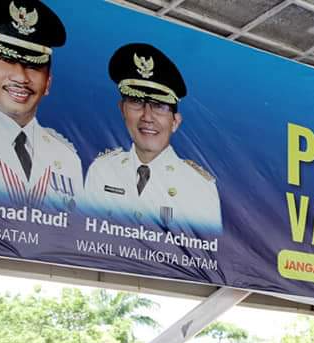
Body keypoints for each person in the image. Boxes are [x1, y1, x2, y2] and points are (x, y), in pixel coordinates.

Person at [0, 0, 82, 212]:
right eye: (6, 59)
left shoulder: (66, 158)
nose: (20, 77)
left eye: (33, 65)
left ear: (48, 82)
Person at [84, 43, 222, 232]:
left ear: (175, 122)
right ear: (122, 110)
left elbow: (207, 249)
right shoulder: (102, 170)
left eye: (159, 106)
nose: (147, 117)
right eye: (136, 101)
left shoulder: (199, 186)